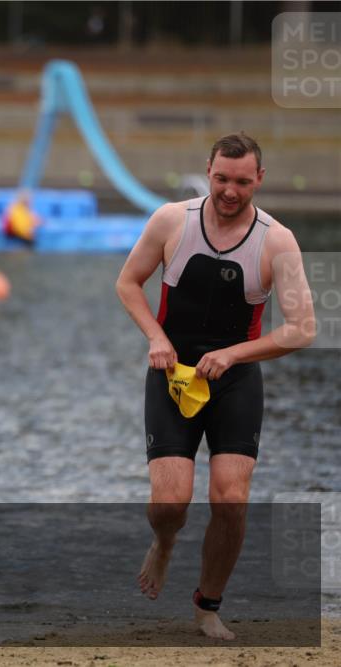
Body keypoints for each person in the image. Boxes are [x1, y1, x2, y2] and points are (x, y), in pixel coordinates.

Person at [115, 132, 315, 639]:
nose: (230, 190)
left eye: (242, 182)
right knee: (170, 503)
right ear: (208, 170)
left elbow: (302, 328)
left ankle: (207, 606)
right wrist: (156, 338)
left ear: (259, 180)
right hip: (171, 375)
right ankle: (164, 543)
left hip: (235, 381)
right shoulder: (170, 221)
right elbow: (127, 282)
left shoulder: (277, 240)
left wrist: (232, 354)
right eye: (222, 179)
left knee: (231, 496)